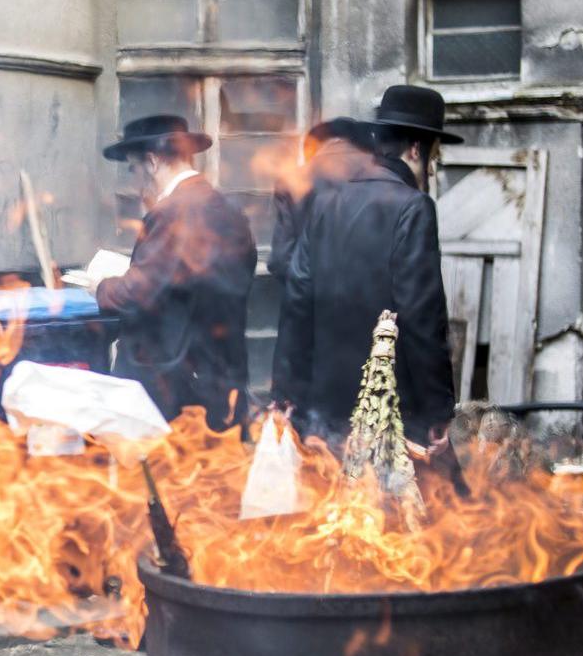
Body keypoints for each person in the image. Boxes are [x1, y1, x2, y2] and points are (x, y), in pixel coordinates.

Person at [272, 84, 461, 444]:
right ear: (417, 149)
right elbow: (422, 319)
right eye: (435, 158)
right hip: (390, 410)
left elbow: (297, 303)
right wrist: (438, 412)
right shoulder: (413, 207)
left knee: (335, 500)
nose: (433, 170)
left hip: (324, 413)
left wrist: (286, 393)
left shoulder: (327, 201)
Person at [94, 115, 257, 429]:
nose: (134, 181)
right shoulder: (227, 208)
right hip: (222, 373)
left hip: (173, 385)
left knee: (164, 475)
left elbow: (138, 294)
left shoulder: (174, 212)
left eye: (133, 168)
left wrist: (100, 286)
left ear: (152, 162)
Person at [266, 116, 376, 282]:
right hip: (373, 300)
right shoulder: (383, 179)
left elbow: (280, 260)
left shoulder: (291, 181)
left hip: (309, 301)